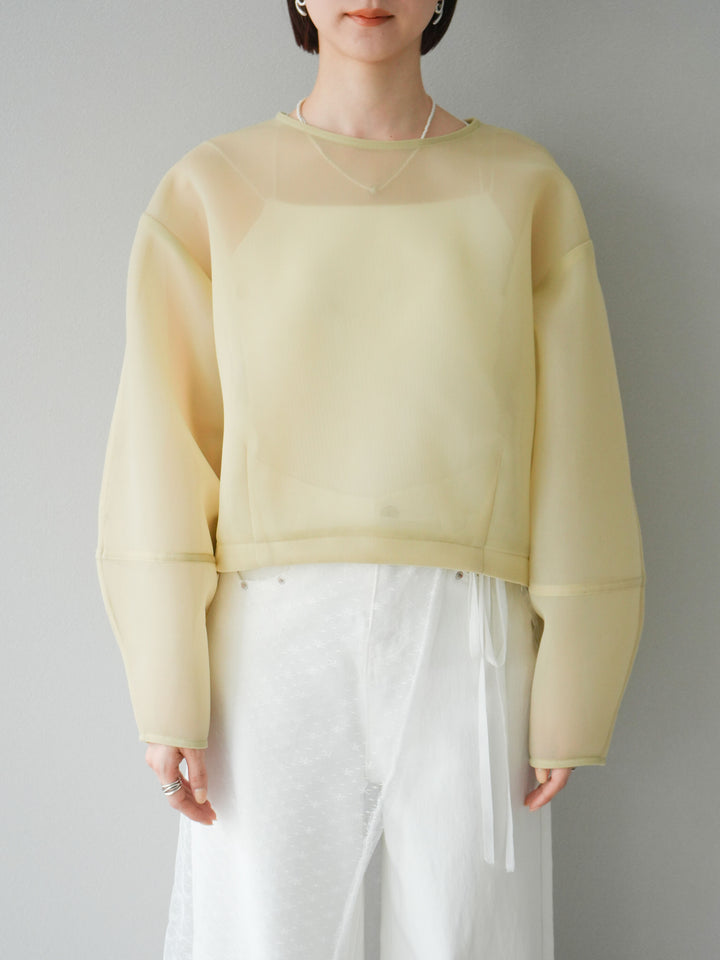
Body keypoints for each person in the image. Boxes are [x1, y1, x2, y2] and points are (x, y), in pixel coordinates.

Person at [95, 1, 646, 957]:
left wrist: (577, 676)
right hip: (268, 630)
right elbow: (161, 443)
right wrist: (168, 685)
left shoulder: (524, 189)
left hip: (469, 626)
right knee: (266, 936)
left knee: (468, 939)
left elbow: (579, 444)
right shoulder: (213, 188)